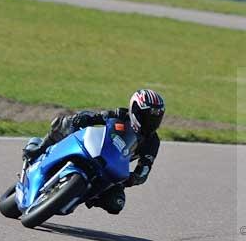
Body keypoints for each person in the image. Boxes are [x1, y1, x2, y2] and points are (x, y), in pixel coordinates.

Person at [23, 89, 165, 214]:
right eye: (146, 116)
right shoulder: (121, 115)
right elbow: (98, 117)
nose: (150, 121)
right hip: (96, 150)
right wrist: (84, 118)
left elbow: (145, 167)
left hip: (112, 169)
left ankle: (84, 196)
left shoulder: (153, 142)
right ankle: (40, 148)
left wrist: (134, 178)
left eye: (155, 118)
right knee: (66, 123)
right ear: (134, 110)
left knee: (116, 204)